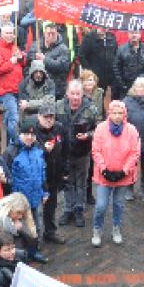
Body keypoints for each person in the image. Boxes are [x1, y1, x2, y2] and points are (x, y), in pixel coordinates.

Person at [90, 100, 140, 247]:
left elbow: (135, 153)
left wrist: (124, 171)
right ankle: (97, 229)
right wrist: (103, 169)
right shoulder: (100, 128)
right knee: (101, 206)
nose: (117, 116)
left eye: (120, 113)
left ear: (125, 114)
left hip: (122, 176)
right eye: (114, 113)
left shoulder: (131, 130)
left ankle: (116, 228)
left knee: (118, 204)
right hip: (103, 175)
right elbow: (96, 151)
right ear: (109, 114)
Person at [55, 80, 101, 227]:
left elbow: (99, 128)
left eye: (78, 94)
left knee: (81, 182)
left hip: (82, 152)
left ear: (82, 94)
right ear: (67, 94)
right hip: (64, 152)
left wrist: (88, 135)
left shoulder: (91, 109)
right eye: (72, 94)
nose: (75, 97)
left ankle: (79, 209)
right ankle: (68, 209)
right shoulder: (58, 106)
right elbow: (52, 125)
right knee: (67, 182)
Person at [3, 126, 50, 262]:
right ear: (20, 134)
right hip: (20, 200)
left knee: (37, 226)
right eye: (26, 134)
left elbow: (42, 172)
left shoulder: (38, 149)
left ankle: (34, 252)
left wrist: (45, 190)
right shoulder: (11, 152)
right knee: (21, 229)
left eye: (32, 134)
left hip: (37, 195)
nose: (29, 137)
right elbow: (6, 178)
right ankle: (21, 255)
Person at [28, 104, 68, 245]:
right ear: (39, 117)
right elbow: (29, 151)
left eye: (51, 117)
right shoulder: (32, 130)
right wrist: (43, 150)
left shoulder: (59, 128)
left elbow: (65, 150)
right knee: (35, 208)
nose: (49, 120)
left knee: (51, 205)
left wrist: (65, 171)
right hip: (37, 177)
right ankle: (33, 237)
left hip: (54, 174)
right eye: (46, 117)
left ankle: (50, 232)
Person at [0, 25, 26, 145]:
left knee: (10, 119)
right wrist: (11, 62)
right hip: (6, 91)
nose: (9, 35)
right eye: (7, 33)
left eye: (11, 33)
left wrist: (21, 58)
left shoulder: (14, 47)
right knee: (14, 119)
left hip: (17, 89)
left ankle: (11, 145)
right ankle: (17, 144)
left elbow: (23, 63)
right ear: (1, 35)